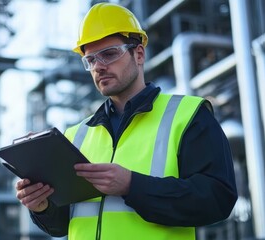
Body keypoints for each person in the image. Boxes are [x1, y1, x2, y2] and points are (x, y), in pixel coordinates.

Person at [15, 3, 237, 240]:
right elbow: (63, 225)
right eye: (90, 60)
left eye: (109, 54)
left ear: (139, 54)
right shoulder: (75, 136)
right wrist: (42, 207)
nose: (99, 66)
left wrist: (133, 185)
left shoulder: (188, 115)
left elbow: (218, 200)